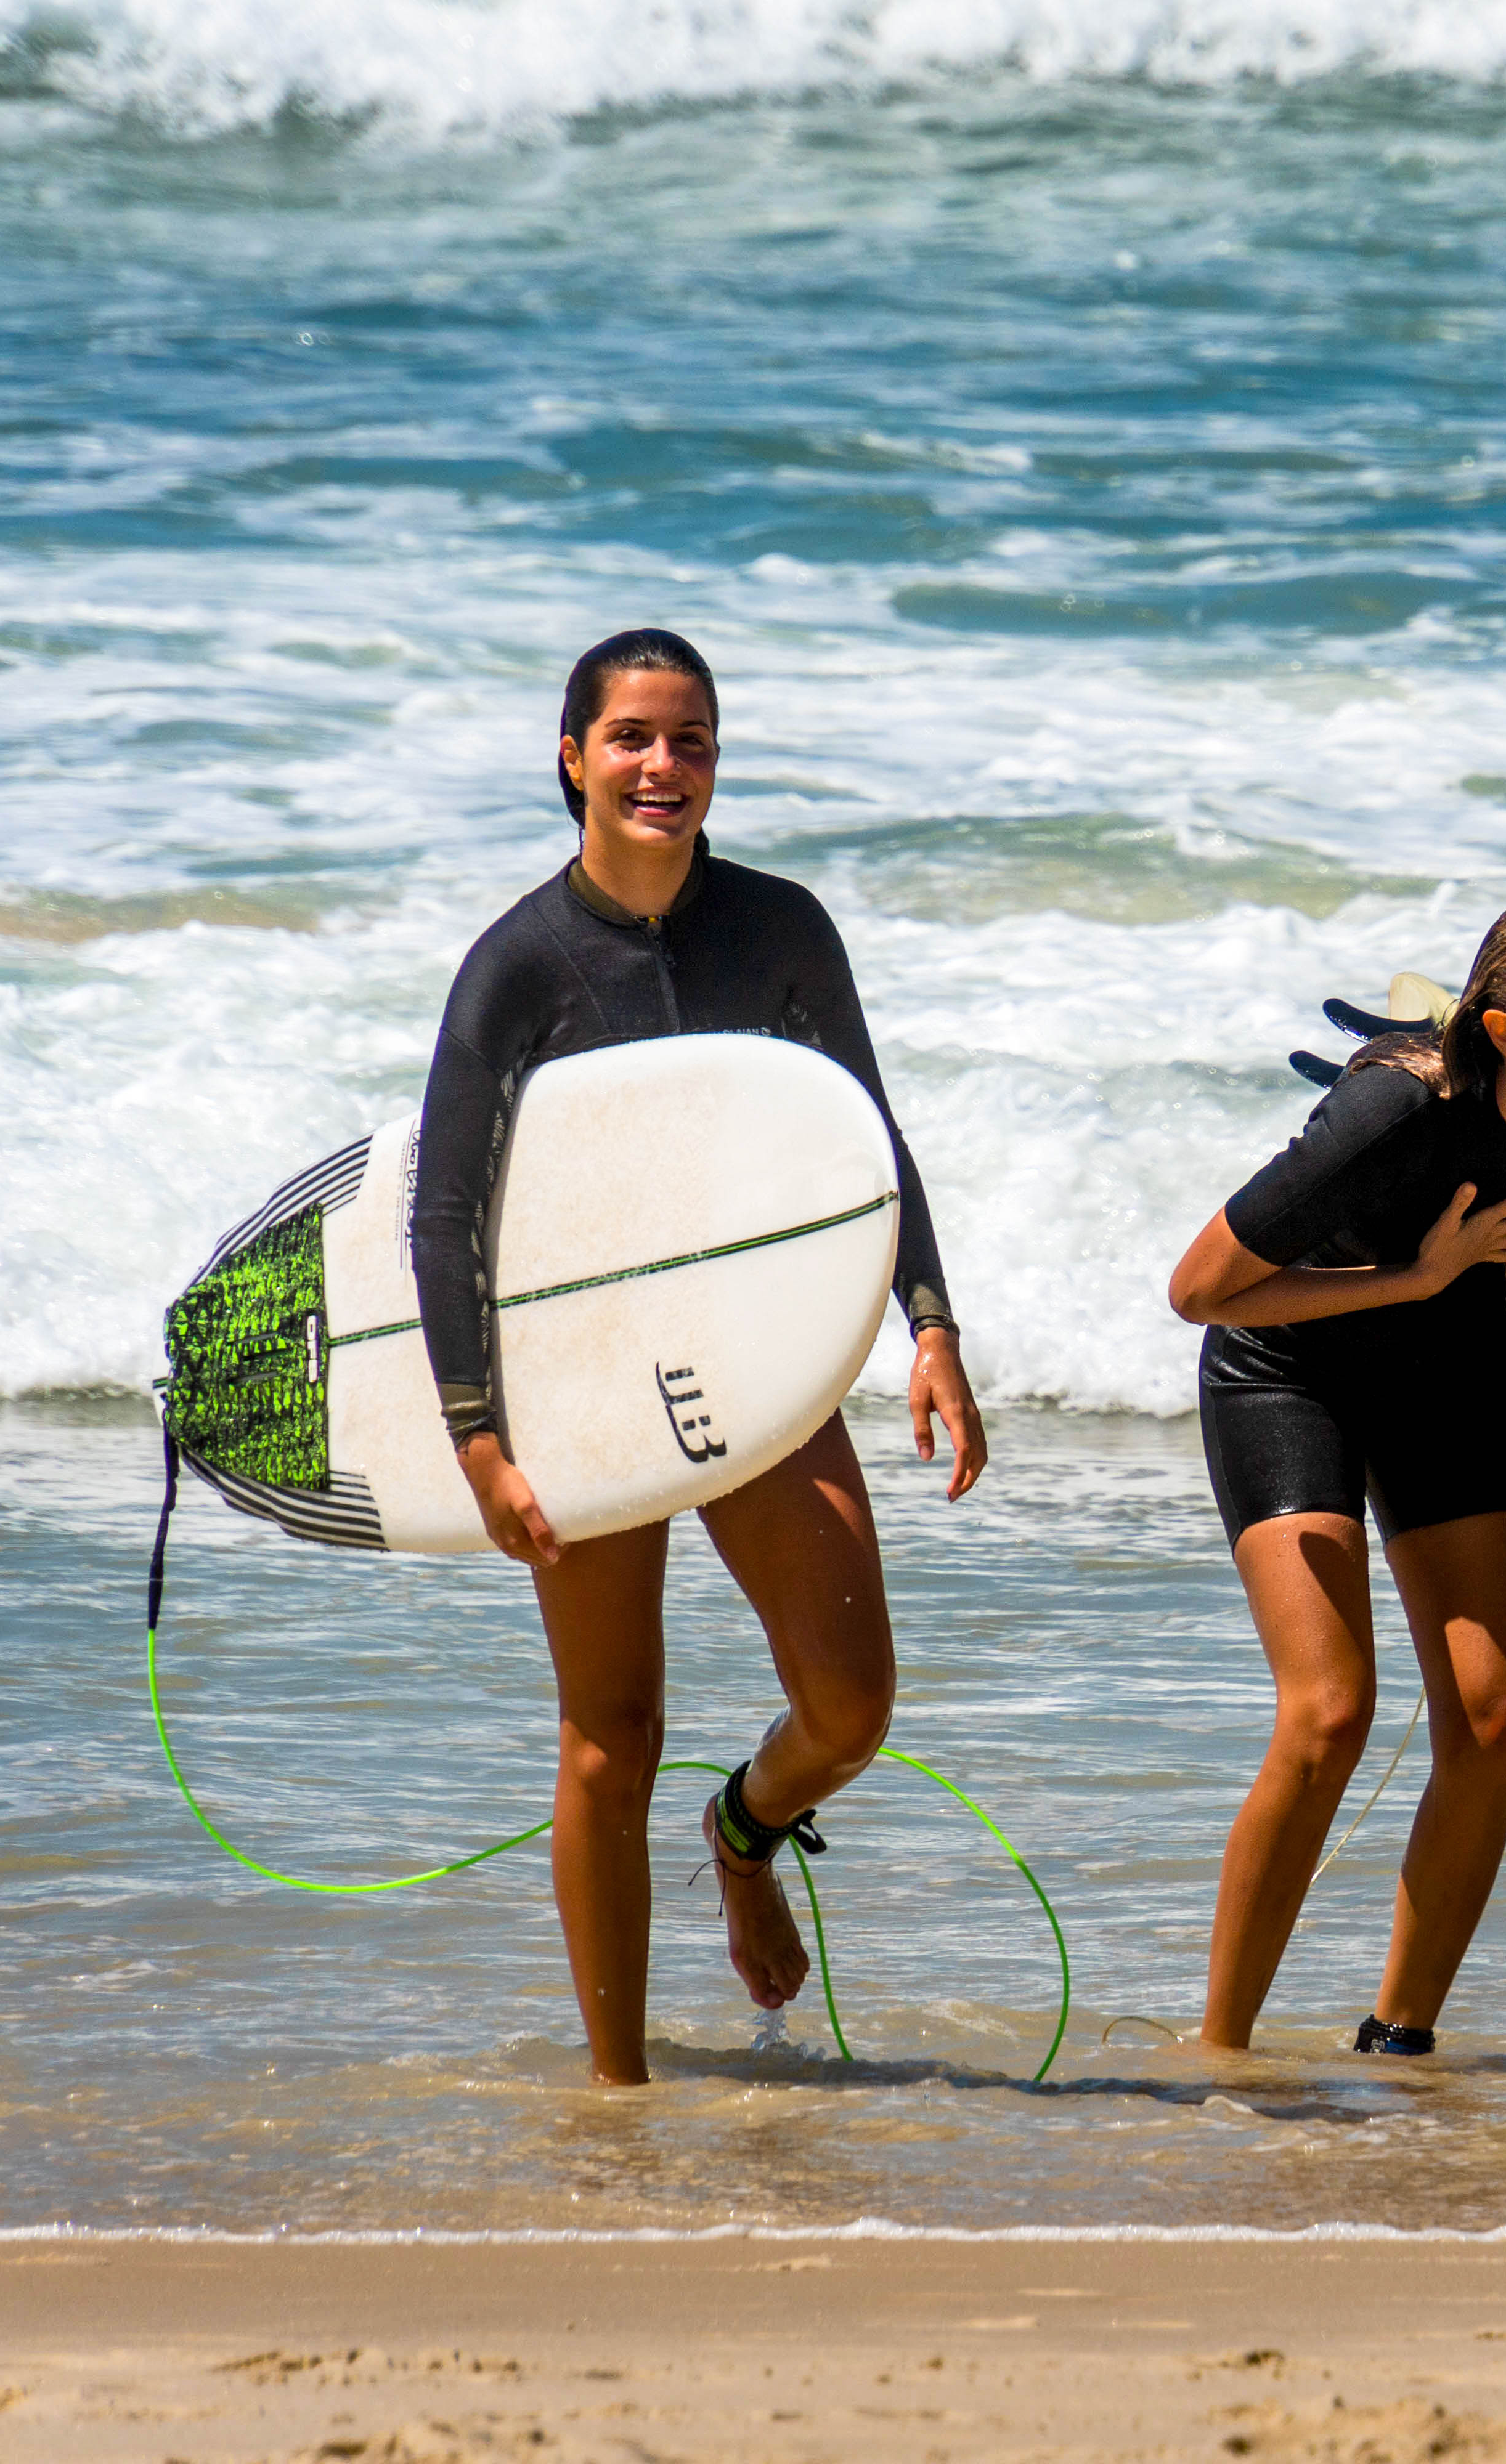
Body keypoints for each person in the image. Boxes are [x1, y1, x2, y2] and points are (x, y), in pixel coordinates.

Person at [414, 627, 986, 2087]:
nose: (664, 765)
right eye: (634, 738)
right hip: (583, 1370)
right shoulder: (517, 966)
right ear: (574, 757)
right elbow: (445, 1213)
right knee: (611, 1729)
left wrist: (930, 1322)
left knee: (853, 1698)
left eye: (692, 740)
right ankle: (619, 2092)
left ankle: (743, 1831)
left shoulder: (782, 928)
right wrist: (478, 1436)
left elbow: (869, 1138)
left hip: (754, 1350)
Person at [1168, 897, 1506, 2054]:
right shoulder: (1393, 1110)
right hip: (1284, 1367)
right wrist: (1416, 1274)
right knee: (1331, 1712)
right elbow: (1199, 1290)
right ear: (1503, 1030)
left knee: (1493, 1721)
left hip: (1451, 1370)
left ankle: (1400, 2044)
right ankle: (1220, 2055)